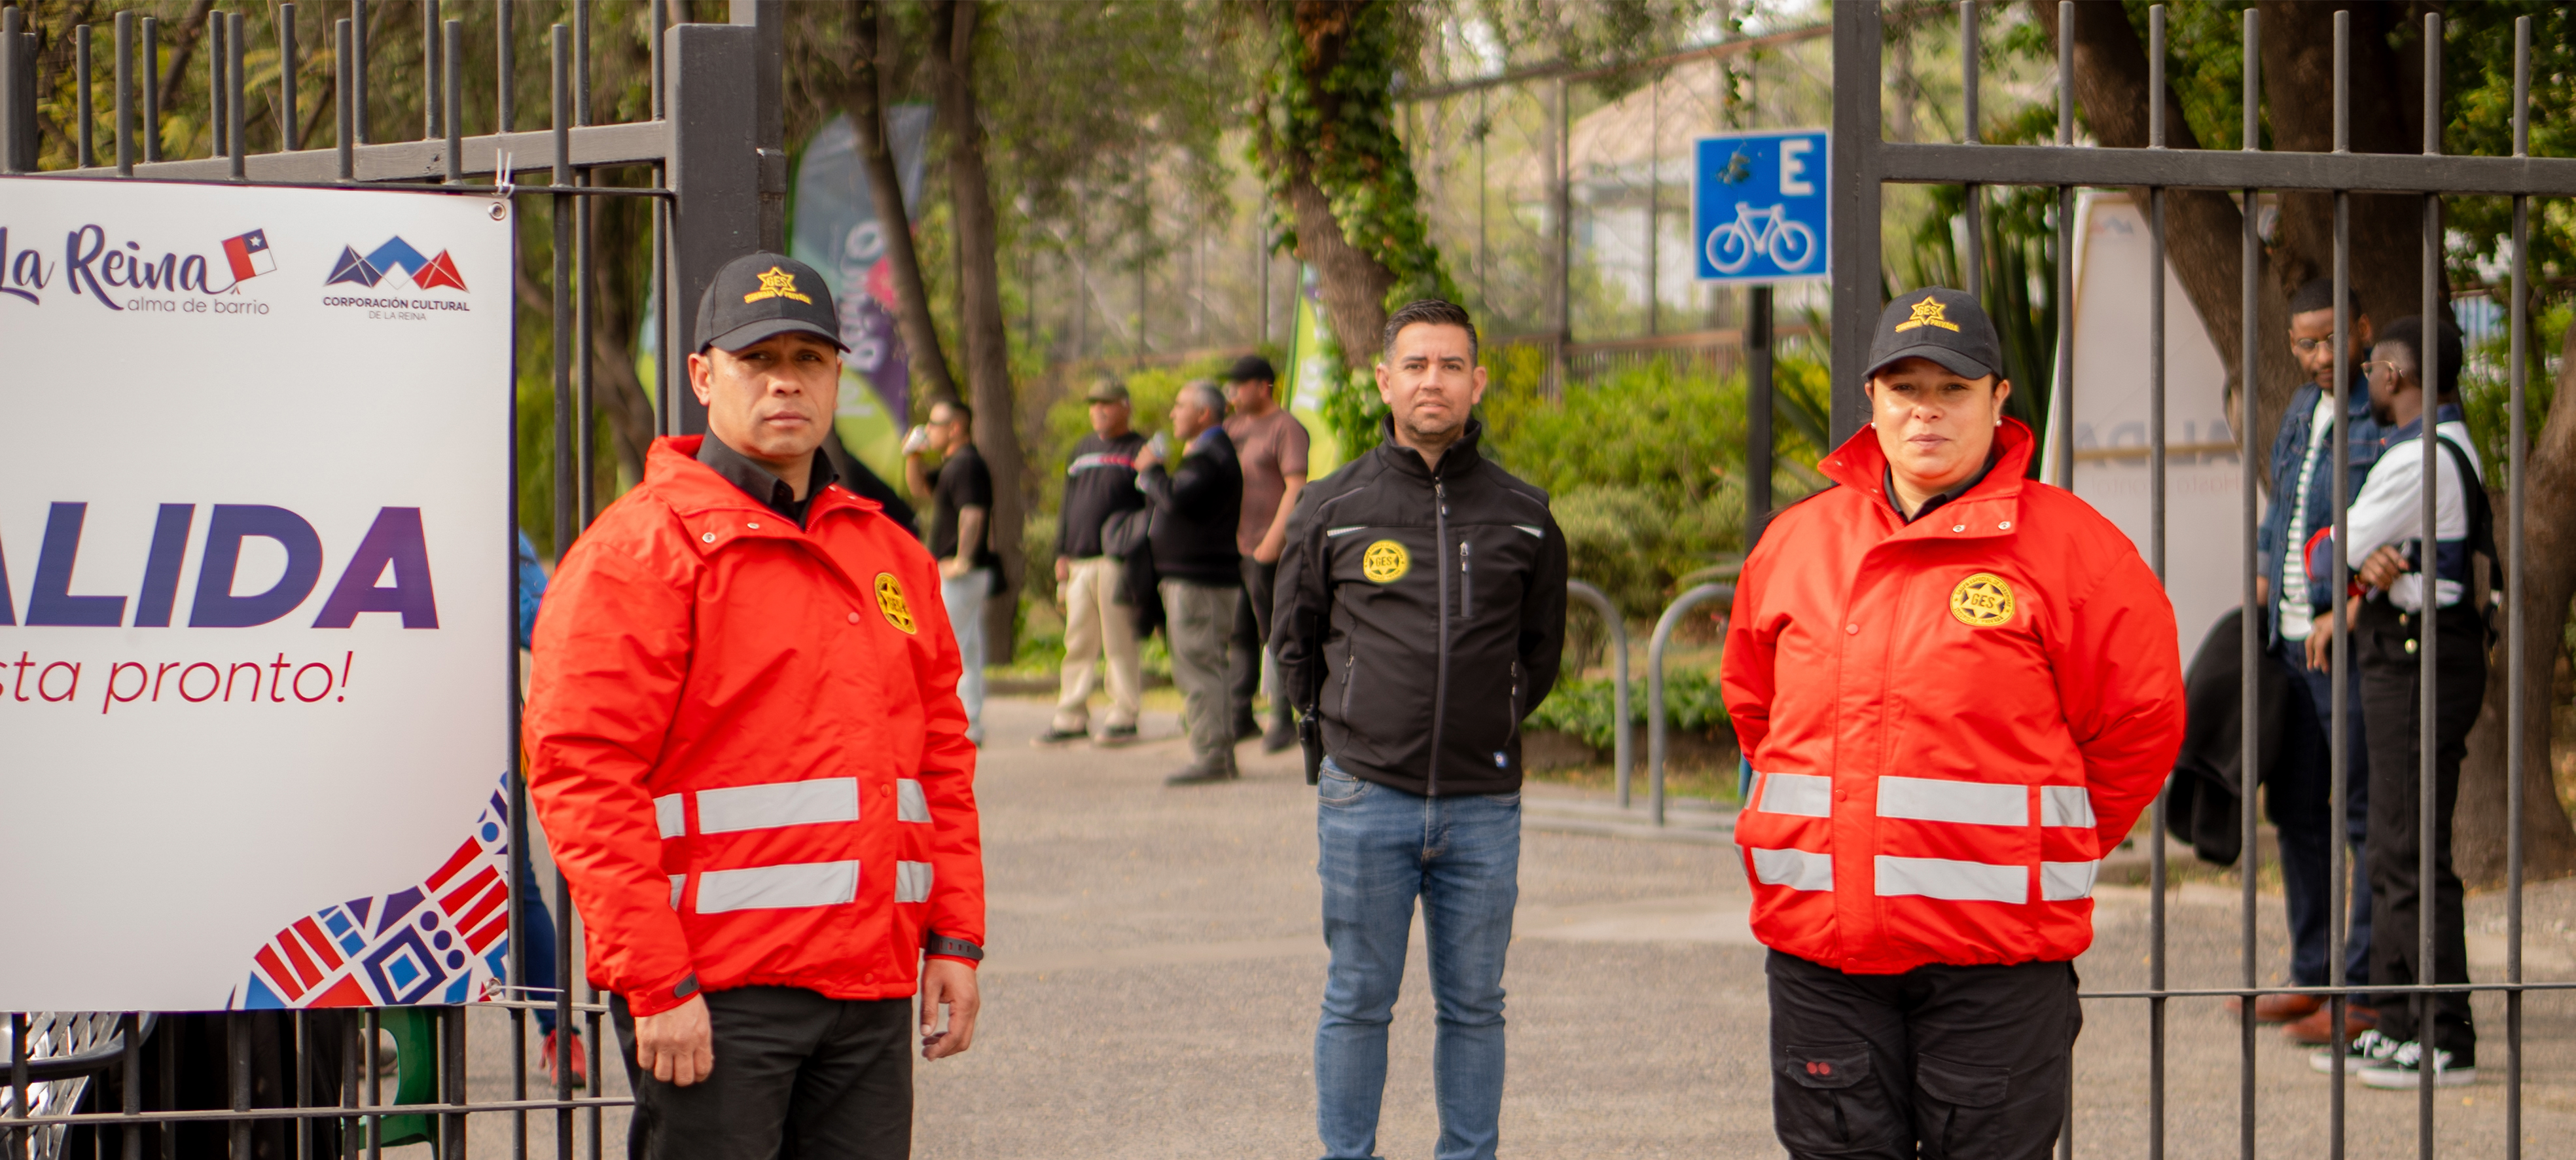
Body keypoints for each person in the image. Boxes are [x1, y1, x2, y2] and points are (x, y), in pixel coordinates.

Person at [525, 251, 985, 1160]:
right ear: (703, 376)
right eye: (757, 359)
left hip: (868, 990)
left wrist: (957, 941)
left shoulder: (890, 553)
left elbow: (941, 760)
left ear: (837, 375)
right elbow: (583, 777)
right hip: (715, 996)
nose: (786, 381)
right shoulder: (639, 554)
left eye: (809, 359)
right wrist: (656, 985)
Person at [1721, 288, 2184, 1159]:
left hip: (1997, 967)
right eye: (1905, 389)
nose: (1925, 411)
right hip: (1826, 957)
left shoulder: (2076, 552)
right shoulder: (1795, 543)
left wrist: (2042, 848)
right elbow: (1756, 709)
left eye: (1952, 389)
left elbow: (2139, 726)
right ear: (1872, 400)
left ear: (2001, 399)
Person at [1273, 299, 1568, 1160]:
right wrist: (1337, 750)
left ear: (1478, 383)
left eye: (1449, 366)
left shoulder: (1524, 513)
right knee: (1358, 998)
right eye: (1415, 365)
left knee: (1476, 1005)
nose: (1431, 381)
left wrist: (1498, 722)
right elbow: (1296, 643)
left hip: (1484, 803)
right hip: (1367, 796)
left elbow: (1540, 650)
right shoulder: (1335, 506)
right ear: (1384, 381)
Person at [2304, 314, 2488, 1089]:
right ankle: (2399, 1017)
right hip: (2400, 652)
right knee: (2389, 844)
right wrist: (2357, 560)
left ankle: (2442, 1032)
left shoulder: (2422, 457)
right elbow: (2345, 552)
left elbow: (2326, 549)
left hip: (2419, 659)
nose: (2368, 380)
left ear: (2392, 375)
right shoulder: (2429, 450)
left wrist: (2348, 559)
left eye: (2373, 367)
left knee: (2410, 848)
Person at [2251, 277, 2382, 1044]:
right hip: (2289, 637)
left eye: (2335, 338)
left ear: (2364, 330)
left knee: (2360, 813)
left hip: (2349, 647)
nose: (2323, 355)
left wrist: (2351, 599)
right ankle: (2313, 972)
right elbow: (2281, 507)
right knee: (2295, 808)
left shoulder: (2381, 410)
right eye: (2307, 342)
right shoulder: (2304, 409)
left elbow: (2396, 516)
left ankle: (2361, 987)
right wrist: (2266, 577)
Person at [1134, 380, 1244, 785]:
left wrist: (1151, 471)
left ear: (1203, 414)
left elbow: (1177, 497)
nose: (1172, 413)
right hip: (1199, 580)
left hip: (1199, 583)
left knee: (1198, 667)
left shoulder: (1209, 456)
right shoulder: (1211, 453)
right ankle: (1218, 751)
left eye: (1180, 405)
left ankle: (1212, 755)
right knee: (1206, 665)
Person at [1035, 378, 1148, 747]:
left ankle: (1124, 712)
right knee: (1078, 641)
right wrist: (1061, 555)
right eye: (1094, 403)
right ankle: (1072, 713)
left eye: (1107, 403)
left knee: (1119, 640)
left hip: (1116, 560)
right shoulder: (1081, 450)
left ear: (1125, 406)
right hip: (1080, 560)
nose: (1098, 410)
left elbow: (1150, 505)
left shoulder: (1138, 449)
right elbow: (1067, 506)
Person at [513, 529, 585, 1089]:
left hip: (473, 740)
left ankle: (560, 1029)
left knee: (517, 886)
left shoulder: (484, 523)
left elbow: (547, 625)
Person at [1222, 355, 1311, 753]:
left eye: (1240, 385)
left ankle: (1281, 715)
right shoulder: (1231, 427)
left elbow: (1296, 486)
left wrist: (1273, 541)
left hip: (1268, 549)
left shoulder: (1285, 427)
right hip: (1233, 548)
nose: (1233, 392)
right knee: (1238, 632)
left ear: (1263, 386)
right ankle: (1240, 714)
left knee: (1273, 632)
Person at [906, 397, 998, 746]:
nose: (929, 431)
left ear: (955, 428)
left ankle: (955, 725)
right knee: (967, 648)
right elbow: (920, 489)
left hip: (962, 573)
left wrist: (963, 559)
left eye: (935, 425)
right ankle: (969, 723)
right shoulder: (951, 466)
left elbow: (972, 513)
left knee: (951, 649)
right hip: (961, 573)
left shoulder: (967, 464)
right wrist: (913, 455)